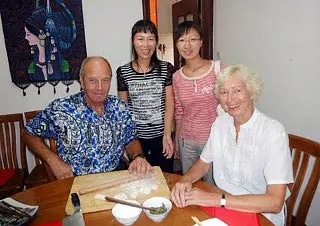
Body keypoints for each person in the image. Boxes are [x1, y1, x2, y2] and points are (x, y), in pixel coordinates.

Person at [170, 64, 294, 226]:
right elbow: (203, 163)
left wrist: (218, 200)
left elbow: (275, 202)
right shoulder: (220, 123)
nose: (230, 99)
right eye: (224, 92)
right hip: (224, 207)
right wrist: (185, 180)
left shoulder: (273, 132)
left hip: (261, 214)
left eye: (237, 90)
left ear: (251, 91)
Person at [22, 56, 153, 179]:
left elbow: (131, 140)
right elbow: (27, 133)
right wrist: (53, 160)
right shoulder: (62, 108)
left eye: (105, 80)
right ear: (82, 81)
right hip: (75, 180)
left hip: (114, 176)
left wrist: (138, 157)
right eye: (92, 80)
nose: (100, 87)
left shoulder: (119, 107)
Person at [116, 19, 174, 173]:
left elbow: (170, 104)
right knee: (139, 180)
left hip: (161, 136)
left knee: (165, 177)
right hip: (136, 140)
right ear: (133, 42)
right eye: (140, 39)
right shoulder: (123, 72)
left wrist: (167, 135)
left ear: (156, 42)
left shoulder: (166, 68)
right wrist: (126, 142)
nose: (145, 45)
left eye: (150, 39)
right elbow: (123, 110)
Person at [172, 21, 220, 184]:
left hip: (214, 140)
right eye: (181, 40)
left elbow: (230, 107)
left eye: (192, 39)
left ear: (201, 42)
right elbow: (179, 112)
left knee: (214, 187)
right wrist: (177, 141)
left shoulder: (217, 70)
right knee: (191, 187)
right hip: (187, 142)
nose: (187, 45)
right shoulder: (177, 77)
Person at [24, 0, 75, 81]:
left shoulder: (63, 65)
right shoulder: (32, 67)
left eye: (28, 34)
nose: (25, 37)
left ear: (41, 34)